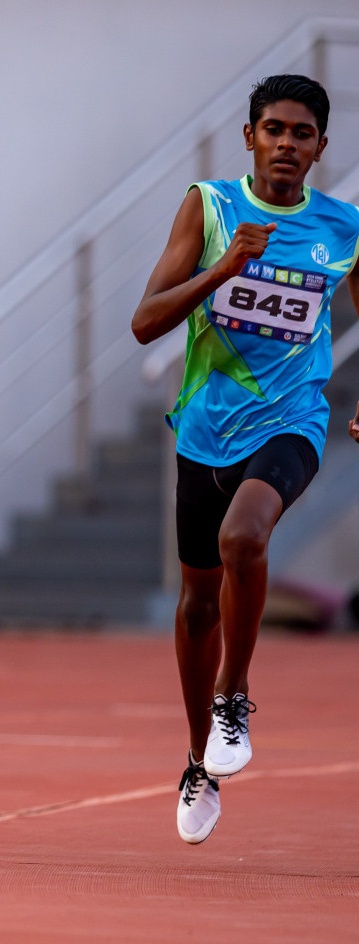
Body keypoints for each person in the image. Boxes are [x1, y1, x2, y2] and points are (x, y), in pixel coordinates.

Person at [131, 74, 359, 846]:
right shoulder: (211, 207)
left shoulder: (345, 228)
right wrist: (224, 269)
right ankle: (200, 760)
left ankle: (236, 692)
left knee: (244, 540)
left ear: (321, 147)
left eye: (301, 133)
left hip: (292, 421)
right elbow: (144, 322)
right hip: (204, 432)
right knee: (197, 607)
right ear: (250, 138)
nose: (286, 145)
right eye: (273, 130)